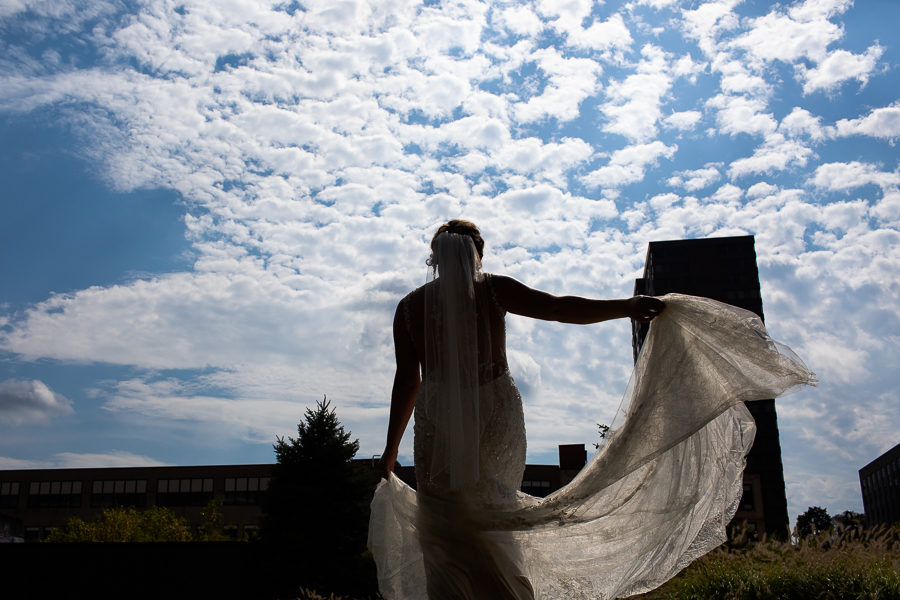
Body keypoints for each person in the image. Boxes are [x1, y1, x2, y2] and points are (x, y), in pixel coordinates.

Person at [368, 220, 815, 600]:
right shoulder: (493, 291)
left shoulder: (408, 308)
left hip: (437, 420)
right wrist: (624, 308)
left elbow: (407, 381)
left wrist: (390, 454)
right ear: (477, 256)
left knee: (444, 513)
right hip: (495, 413)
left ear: (435, 258)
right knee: (492, 505)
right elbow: (562, 309)